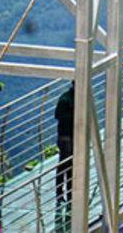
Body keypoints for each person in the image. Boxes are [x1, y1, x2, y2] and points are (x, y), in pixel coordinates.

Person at [54, 82, 74, 219]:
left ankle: (69, 194)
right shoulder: (66, 98)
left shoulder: (74, 97)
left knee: (71, 166)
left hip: (73, 135)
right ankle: (60, 193)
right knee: (65, 164)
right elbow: (58, 115)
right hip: (66, 136)